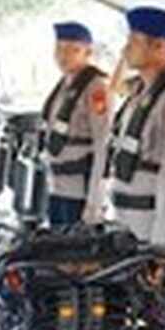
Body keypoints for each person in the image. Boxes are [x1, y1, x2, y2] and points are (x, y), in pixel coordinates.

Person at [104, 7, 165, 246]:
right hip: (124, 220)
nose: (126, 48)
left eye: (134, 41)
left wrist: (162, 249)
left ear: (159, 47)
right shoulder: (140, 91)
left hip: (149, 228)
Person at [41, 21, 111, 226]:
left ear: (88, 52)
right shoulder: (64, 84)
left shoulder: (96, 87)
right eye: (59, 49)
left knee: (72, 252)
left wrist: (95, 201)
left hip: (78, 191)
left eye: (73, 50)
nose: (64, 56)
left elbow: (103, 144)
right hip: (57, 186)